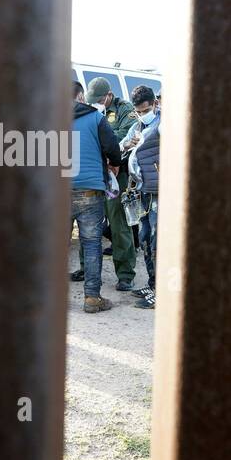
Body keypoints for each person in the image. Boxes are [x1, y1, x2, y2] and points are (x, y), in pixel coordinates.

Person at [81, 76, 138, 291]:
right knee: (88, 222)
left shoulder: (124, 109)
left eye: (99, 99)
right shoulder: (87, 110)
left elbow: (127, 134)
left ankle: (125, 274)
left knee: (118, 223)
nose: (95, 102)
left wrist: (104, 138)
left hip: (116, 174)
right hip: (94, 172)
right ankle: (85, 269)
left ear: (109, 95)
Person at [71, 79, 122, 312]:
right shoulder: (96, 118)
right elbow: (113, 148)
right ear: (81, 97)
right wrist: (114, 163)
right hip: (90, 190)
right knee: (91, 244)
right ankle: (92, 298)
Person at [121, 84, 160, 309]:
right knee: (144, 237)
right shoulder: (136, 125)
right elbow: (121, 145)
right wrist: (129, 143)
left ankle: (160, 291)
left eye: (145, 110)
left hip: (159, 192)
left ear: (154, 104)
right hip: (142, 191)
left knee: (157, 240)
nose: (142, 115)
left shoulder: (164, 123)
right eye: (139, 111)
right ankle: (152, 283)